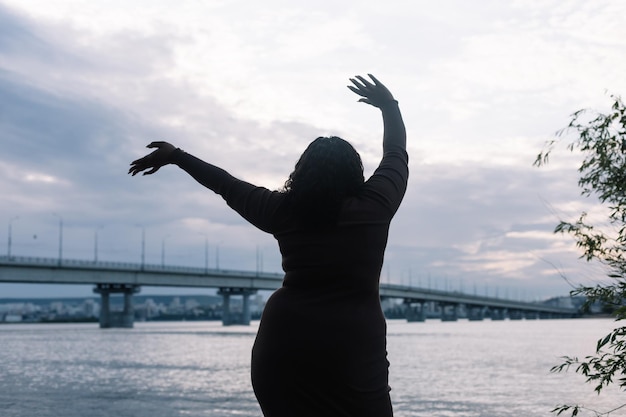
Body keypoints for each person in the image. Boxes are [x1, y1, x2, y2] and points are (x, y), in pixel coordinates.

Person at [129, 74, 408, 417]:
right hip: (352, 343)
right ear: (355, 172)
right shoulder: (376, 204)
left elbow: (226, 184)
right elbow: (395, 152)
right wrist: (388, 106)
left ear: (301, 173)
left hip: (284, 342)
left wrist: (177, 156)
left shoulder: (283, 211)